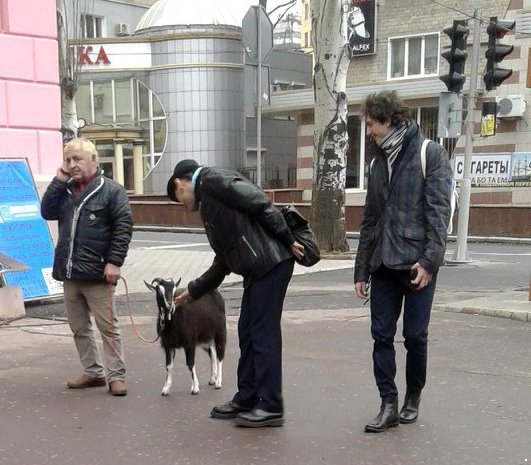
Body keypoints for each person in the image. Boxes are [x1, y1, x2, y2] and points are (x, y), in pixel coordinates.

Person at [167, 159, 304, 427]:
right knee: (248, 333)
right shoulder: (210, 197)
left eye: (179, 199)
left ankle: (271, 406)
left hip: (271, 262)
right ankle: (248, 397)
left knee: (263, 334)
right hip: (259, 267)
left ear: (179, 183)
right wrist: (192, 291)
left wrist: (287, 238)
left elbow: (259, 201)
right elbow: (224, 259)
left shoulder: (212, 181)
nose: (183, 205)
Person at [354, 91, 452, 432]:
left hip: (416, 265)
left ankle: (413, 395)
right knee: (381, 335)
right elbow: (370, 219)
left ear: (387, 119)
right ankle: (388, 402)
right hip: (382, 263)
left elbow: (439, 214)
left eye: (370, 124)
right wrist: (361, 269)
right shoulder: (376, 163)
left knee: (415, 336)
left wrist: (429, 262)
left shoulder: (429, 153)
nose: (368, 132)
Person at [41, 138, 133, 396]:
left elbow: (123, 228)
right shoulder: (66, 189)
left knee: (108, 328)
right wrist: (58, 180)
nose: (72, 165)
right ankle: (93, 372)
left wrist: (114, 262)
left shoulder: (112, 191)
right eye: (68, 160)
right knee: (79, 328)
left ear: (94, 159)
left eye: (77, 159)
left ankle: (116, 376)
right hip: (70, 273)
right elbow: (46, 211)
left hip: (98, 273)